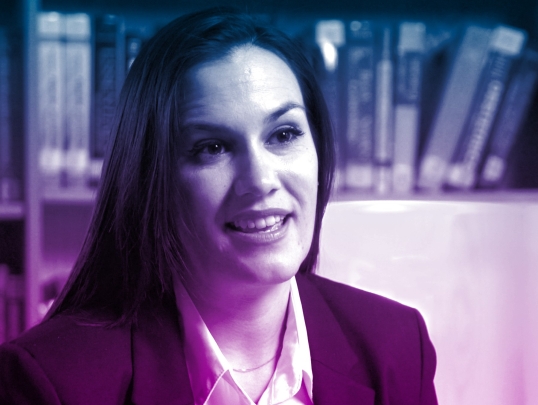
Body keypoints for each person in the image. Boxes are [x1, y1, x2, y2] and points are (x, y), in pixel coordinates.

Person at [0, 8, 437, 405]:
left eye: (283, 135)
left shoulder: (396, 345)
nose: (260, 181)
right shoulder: (50, 382)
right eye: (213, 148)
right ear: (154, 178)